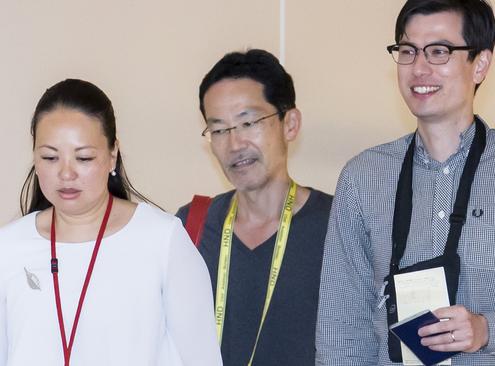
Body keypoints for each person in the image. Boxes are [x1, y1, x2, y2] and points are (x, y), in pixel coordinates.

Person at [316, 0, 495, 365]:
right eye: (408, 51)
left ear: (481, 63)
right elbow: (340, 329)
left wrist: (488, 330)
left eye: (439, 52)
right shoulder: (363, 178)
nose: (419, 68)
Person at [0, 79, 222, 366]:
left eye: (84, 157)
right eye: (50, 157)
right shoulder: (8, 247)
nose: (66, 174)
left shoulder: (162, 241)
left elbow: (201, 359)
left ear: (112, 155)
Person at [176, 49, 332, 366]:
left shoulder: (338, 224)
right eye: (219, 130)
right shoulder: (191, 225)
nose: (235, 144)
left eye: (249, 122)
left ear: (290, 123)